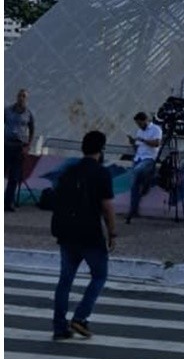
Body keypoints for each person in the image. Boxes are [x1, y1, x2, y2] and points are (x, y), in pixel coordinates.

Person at [50, 130, 116, 340]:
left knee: (65, 280)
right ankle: (80, 317)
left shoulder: (69, 170)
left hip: (66, 232)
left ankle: (59, 326)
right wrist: (112, 233)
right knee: (99, 275)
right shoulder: (102, 173)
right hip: (90, 234)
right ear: (102, 149)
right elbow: (107, 207)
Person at [125, 111, 162, 223]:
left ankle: (147, 183)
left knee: (137, 171)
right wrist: (133, 143)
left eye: (140, 123)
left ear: (145, 120)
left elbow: (157, 143)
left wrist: (143, 140)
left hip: (149, 158)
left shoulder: (156, 129)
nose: (139, 126)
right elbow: (138, 148)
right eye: (137, 124)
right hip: (138, 158)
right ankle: (133, 210)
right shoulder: (139, 131)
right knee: (134, 185)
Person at [5, 89, 35, 212]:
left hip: (19, 147)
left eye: (24, 96)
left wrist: (28, 145)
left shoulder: (29, 114)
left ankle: (8, 203)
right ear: (16, 97)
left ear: (26, 99)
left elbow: (32, 129)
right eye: (20, 96)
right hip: (6, 144)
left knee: (14, 176)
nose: (21, 98)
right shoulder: (7, 111)